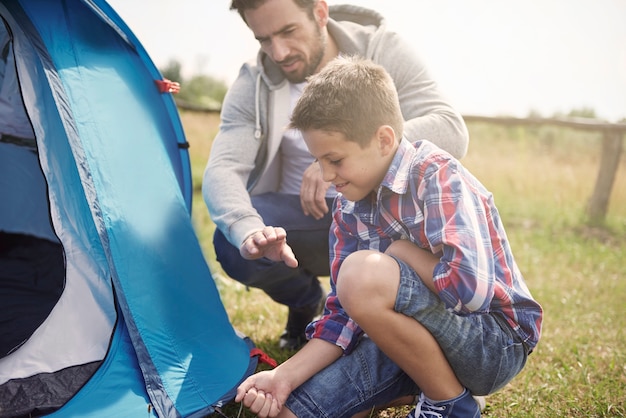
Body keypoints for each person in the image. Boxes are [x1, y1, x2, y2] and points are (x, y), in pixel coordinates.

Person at [233, 56, 543, 418]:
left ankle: (450, 404)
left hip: (492, 343)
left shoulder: (436, 176)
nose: (326, 175)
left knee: (363, 273)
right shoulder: (348, 208)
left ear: (383, 139)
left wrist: (402, 253)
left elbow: (470, 293)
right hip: (408, 343)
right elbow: (343, 317)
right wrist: (284, 376)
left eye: (335, 159)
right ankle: (417, 386)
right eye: (318, 162)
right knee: (291, 413)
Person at [203, 0, 470, 350]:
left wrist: (344, 156)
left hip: (388, 220)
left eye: (288, 32)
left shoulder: (382, 48)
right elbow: (222, 168)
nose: (279, 52)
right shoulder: (253, 83)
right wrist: (247, 227)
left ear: (320, 12)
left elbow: (451, 128)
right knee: (234, 243)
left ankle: (396, 326)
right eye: (264, 39)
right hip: (309, 221)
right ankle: (305, 302)